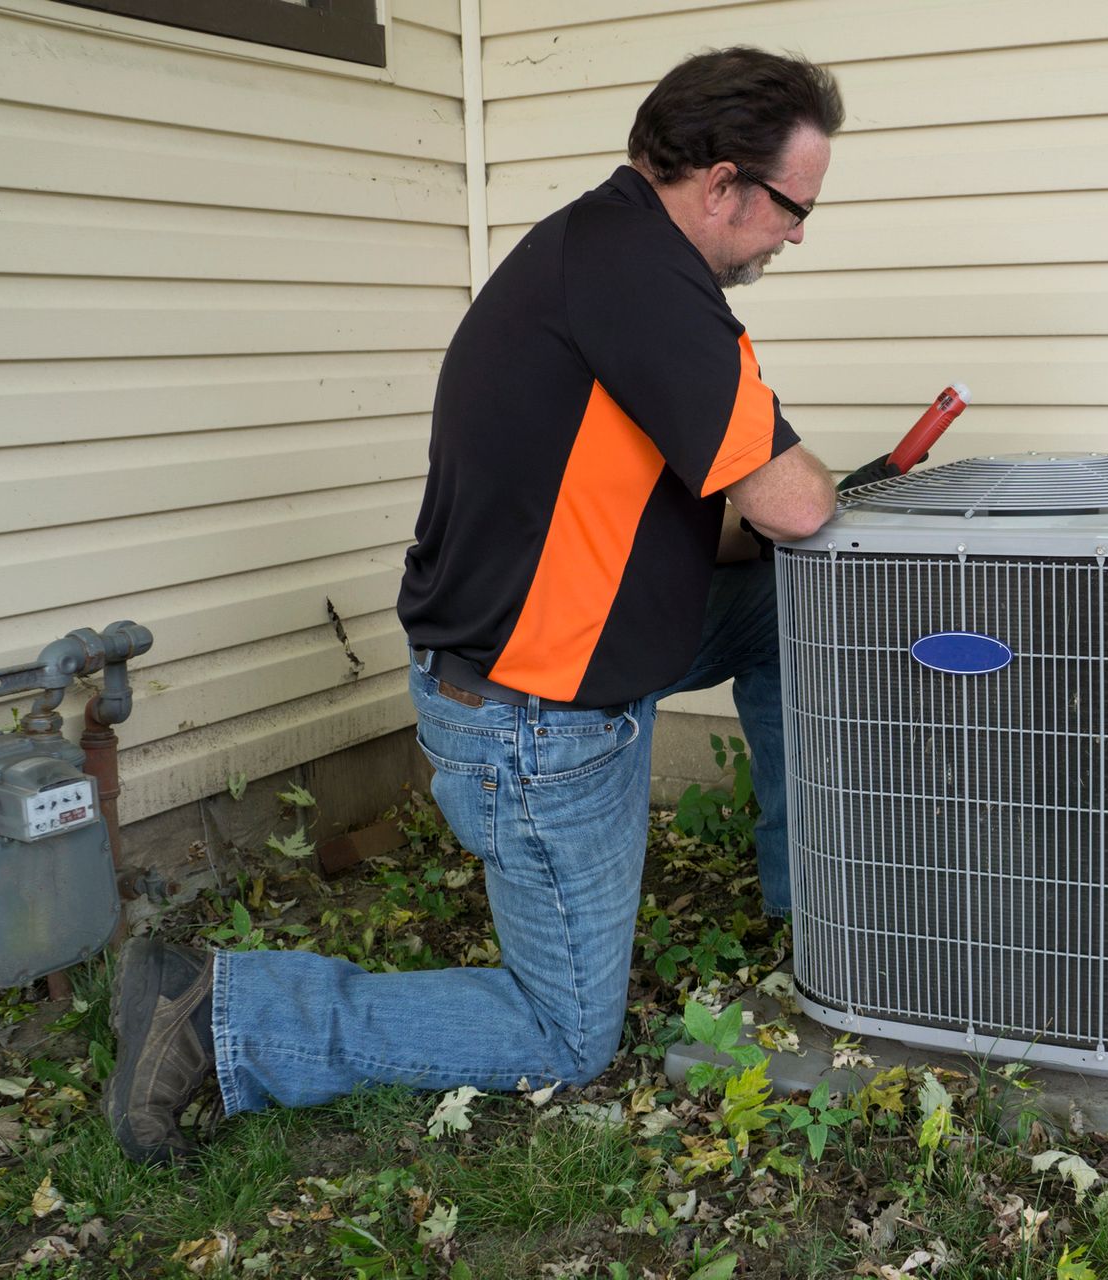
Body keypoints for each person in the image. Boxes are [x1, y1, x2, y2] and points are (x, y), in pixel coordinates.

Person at [103, 47, 865, 1163]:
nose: (797, 234)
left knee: (792, 618)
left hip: (568, 637)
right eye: (795, 208)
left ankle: (816, 905)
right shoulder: (642, 281)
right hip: (531, 709)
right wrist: (828, 495)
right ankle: (221, 1013)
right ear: (723, 184)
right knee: (564, 1033)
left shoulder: (605, 248)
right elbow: (796, 504)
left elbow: (690, 504)